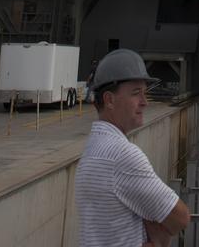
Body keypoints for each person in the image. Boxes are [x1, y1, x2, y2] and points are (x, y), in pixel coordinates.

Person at [74, 47, 190, 247]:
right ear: (109, 100)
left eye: (145, 93)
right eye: (136, 93)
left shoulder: (93, 150)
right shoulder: (122, 155)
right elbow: (180, 217)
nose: (145, 102)